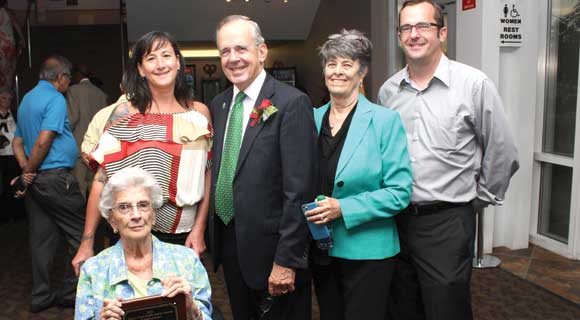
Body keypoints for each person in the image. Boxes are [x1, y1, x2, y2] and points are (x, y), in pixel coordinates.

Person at [377, 1, 520, 319]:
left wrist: (476, 200)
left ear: (442, 32)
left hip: (447, 224)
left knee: (446, 310)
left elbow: (503, 152)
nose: (414, 35)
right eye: (406, 28)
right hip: (395, 222)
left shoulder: (473, 85)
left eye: (423, 26)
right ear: (399, 36)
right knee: (401, 308)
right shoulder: (388, 93)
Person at [72, 31, 213, 275]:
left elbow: (207, 175)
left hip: (182, 236)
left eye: (167, 55)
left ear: (178, 62)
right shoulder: (123, 115)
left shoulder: (199, 114)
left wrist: (199, 229)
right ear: (140, 69)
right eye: (151, 58)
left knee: (182, 304)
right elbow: (100, 180)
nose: (160, 64)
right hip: (132, 235)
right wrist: (87, 242)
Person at [208, 15, 317, 319]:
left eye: (241, 49)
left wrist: (287, 259)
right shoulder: (219, 104)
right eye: (225, 51)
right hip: (231, 243)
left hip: (275, 251)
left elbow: (300, 190)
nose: (233, 59)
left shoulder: (291, 103)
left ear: (261, 51)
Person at [304, 29, 412, 320]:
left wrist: (344, 208)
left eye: (346, 64)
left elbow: (399, 192)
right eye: (331, 64)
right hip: (322, 249)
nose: (337, 71)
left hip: (368, 252)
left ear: (362, 72)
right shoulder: (310, 118)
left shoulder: (384, 121)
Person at [75, 167, 212, 320]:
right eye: (124, 207)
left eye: (143, 205)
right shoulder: (93, 270)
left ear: (153, 215)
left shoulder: (187, 260)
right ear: (112, 220)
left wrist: (191, 309)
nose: (136, 215)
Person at [12, 55, 85, 312]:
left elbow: (17, 141)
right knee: (83, 234)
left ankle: (41, 296)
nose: (68, 83)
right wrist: (27, 172)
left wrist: (26, 171)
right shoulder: (55, 98)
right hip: (55, 179)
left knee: (41, 241)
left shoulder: (27, 99)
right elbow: (45, 140)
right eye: (68, 79)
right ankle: (69, 291)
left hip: (38, 182)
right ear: (61, 78)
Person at [67, 64, 108, 198]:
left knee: (79, 186)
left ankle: (81, 218)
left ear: (78, 74)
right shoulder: (101, 94)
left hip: (79, 147)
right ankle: (96, 217)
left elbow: (72, 118)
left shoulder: (73, 90)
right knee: (95, 186)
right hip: (97, 149)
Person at [0, 87, 24, 223]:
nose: (6, 101)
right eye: (3, 98)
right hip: (1, 156)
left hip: (14, 155)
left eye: (9, 99)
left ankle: (17, 215)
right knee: (2, 187)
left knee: (15, 185)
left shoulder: (15, 115)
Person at [0, 0, 24, 90]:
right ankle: (7, 90)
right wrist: (22, 39)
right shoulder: (8, 12)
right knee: (8, 68)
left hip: (4, 45)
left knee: (4, 69)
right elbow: (16, 25)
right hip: (8, 44)